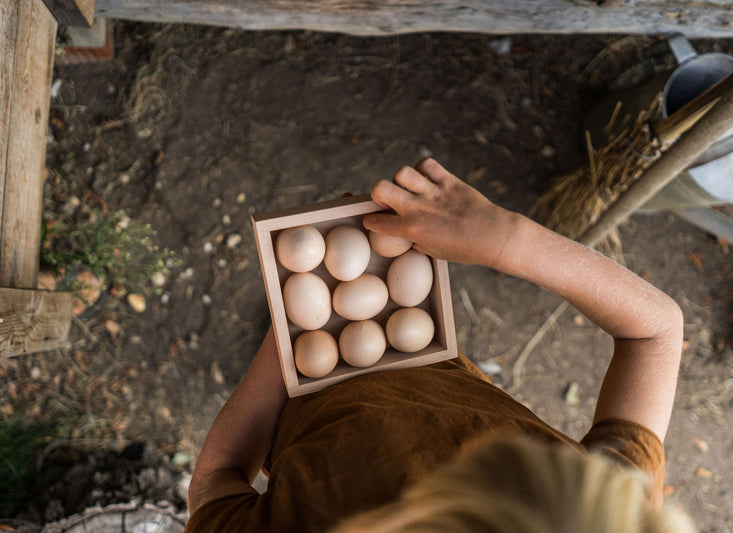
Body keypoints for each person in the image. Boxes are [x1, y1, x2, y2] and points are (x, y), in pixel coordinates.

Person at [185, 158, 693, 532]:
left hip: (300, 405)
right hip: (423, 360)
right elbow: (654, 331)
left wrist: (301, 325)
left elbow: (217, 482)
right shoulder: (592, 507)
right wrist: (506, 240)